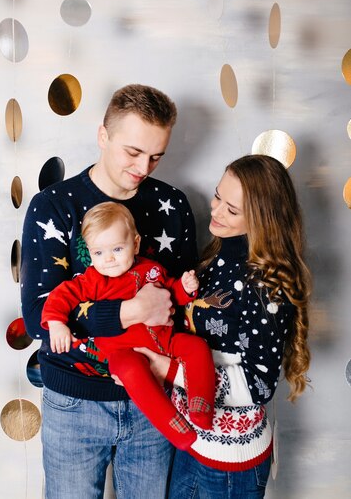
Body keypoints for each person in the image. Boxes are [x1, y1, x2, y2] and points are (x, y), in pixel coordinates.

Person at [20, 84, 198, 499]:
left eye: (156, 156)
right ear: (103, 136)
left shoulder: (173, 205)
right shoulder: (54, 206)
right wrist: (130, 311)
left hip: (154, 401)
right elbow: (37, 318)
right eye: (133, 152)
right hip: (74, 405)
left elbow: (182, 307)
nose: (144, 167)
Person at [136, 154, 311, 498]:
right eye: (218, 196)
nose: (215, 212)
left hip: (231, 461)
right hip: (192, 442)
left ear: (262, 220)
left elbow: (258, 386)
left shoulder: (266, 285)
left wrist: (170, 371)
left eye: (232, 210)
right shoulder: (215, 258)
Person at [41, 201, 215, 451]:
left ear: (135, 244)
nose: (108, 259)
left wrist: (186, 289)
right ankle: (171, 424)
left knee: (197, 347)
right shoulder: (94, 280)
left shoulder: (152, 270)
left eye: (117, 248)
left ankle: (201, 405)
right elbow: (61, 295)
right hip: (123, 352)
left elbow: (171, 296)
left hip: (166, 340)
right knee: (131, 370)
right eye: (98, 253)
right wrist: (57, 323)